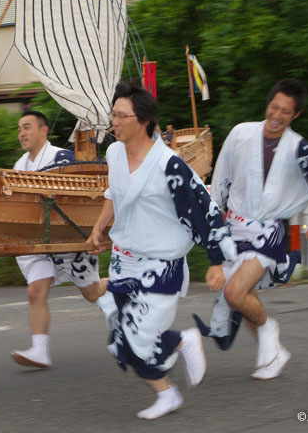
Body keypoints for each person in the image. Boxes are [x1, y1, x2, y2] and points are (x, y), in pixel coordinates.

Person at [87, 82, 236, 420]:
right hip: (125, 259)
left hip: (161, 264)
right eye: (112, 114)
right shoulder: (113, 153)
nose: (114, 122)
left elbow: (201, 209)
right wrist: (99, 228)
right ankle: (170, 383)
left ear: (142, 121)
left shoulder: (169, 166)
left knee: (137, 334)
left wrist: (216, 261)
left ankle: (181, 348)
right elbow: (115, 193)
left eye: (121, 115)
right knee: (123, 334)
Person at [194, 78, 308, 381]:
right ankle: (272, 352)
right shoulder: (241, 134)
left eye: (285, 112)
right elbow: (221, 176)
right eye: (274, 107)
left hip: (269, 233)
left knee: (236, 293)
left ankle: (269, 329)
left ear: (295, 115)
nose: (277, 115)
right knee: (244, 295)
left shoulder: (299, 148)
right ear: (268, 103)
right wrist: (215, 219)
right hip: (235, 226)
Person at [10, 110, 106, 369]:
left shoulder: (63, 158)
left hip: (68, 235)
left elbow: (91, 186)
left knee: (92, 293)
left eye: (27, 127)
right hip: (40, 238)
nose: (22, 133)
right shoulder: (20, 165)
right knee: (35, 291)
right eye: (19, 128)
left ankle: (121, 282)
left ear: (43, 131)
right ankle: (40, 351)